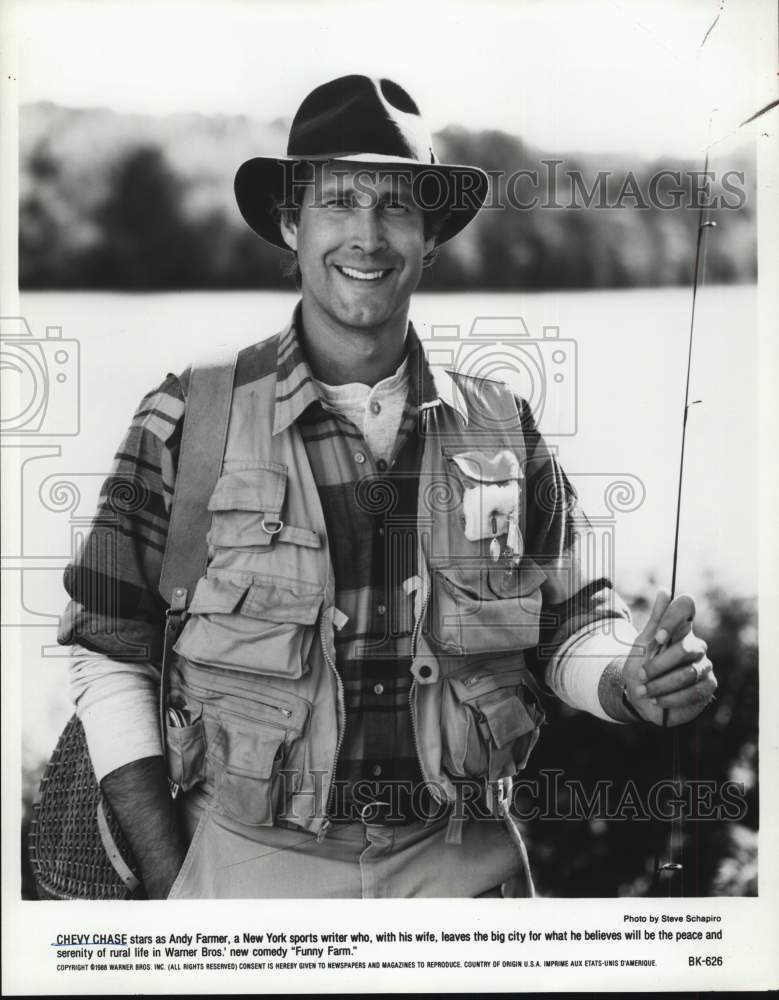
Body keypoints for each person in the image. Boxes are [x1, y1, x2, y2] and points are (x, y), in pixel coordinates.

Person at [59, 74, 717, 899]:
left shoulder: (502, 424)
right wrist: (170, 884)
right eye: (337, 202)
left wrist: (628, 679)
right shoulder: (189, 419)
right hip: (244, 870)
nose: (365, 236)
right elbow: (107, 654)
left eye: (396, 206)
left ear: (430, 235)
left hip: (464, 868)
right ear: (290, 223)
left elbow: (568, 626)